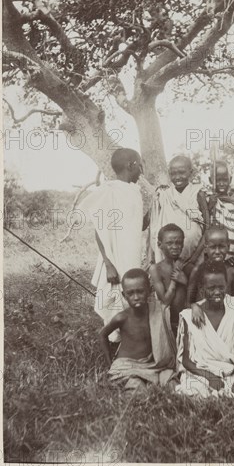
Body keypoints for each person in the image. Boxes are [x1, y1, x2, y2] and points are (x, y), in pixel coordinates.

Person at [79, 147, 149, 342]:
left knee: (133, 297)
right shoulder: (109, 192)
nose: (141, 171)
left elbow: (137, 224)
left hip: (132, 256)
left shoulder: (134, 191)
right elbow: (99, 231)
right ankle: (114, 346)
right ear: (131, 165)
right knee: (114, 300)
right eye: (140, 166)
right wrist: (108, 264)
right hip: (115, 259)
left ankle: (132, 345)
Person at [176, 262, 234, 399]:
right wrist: (210, 377)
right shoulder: (189, 316)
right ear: (201, 289)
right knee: (193, 394)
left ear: (227, 285)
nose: (217, 292)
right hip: (199, 373)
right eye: (211, 288)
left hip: (228, 372)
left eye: (221, 287)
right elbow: (186, 360)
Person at [99, 269, 176, 393]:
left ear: (150, 291)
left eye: (140, 292)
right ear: (124, 296)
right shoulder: (122, 317)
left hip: (155, 365)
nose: (136, 297)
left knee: (172, 383)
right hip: (128, 365)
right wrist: (109, 364)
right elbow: (102, 335)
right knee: (136, 389)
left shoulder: (158, 311)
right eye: (130, 293)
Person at [149, 155, 209, 265]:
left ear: (191, 173)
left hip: (194, 257)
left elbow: (207, 226)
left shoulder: (198, 193)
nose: (177, 177)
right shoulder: (164, 194)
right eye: (173, 173)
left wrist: (194, 258)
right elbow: (155, 221)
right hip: (168, 259)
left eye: (181, 172)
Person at [186, 225, 234, 327]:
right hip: (202, 322)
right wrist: (194, 307)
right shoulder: (198, 270)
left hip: (226, 325)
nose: (217, 251)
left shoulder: (232, 272)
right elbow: (189, 301)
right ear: (206, 248)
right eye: (212, 247)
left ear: (228, 246)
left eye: (221, 247)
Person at [149, 224, 192, 336]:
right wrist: (175, 280)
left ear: (183, 244)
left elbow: (195, 297)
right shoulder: (156, 269)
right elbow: (165, 301)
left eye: (178, 243)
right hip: (167, 323)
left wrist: (185, 282)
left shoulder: (188, 267)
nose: (175, 246)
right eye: (169, 243)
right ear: (159, 245)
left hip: (187, 321)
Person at [208, 160, 234, 266]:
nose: (221, 183)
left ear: (230, 179)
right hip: (214, 256)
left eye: (225, 179)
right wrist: (209, 207)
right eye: (217, 180)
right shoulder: (207, 200)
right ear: (211, 180)